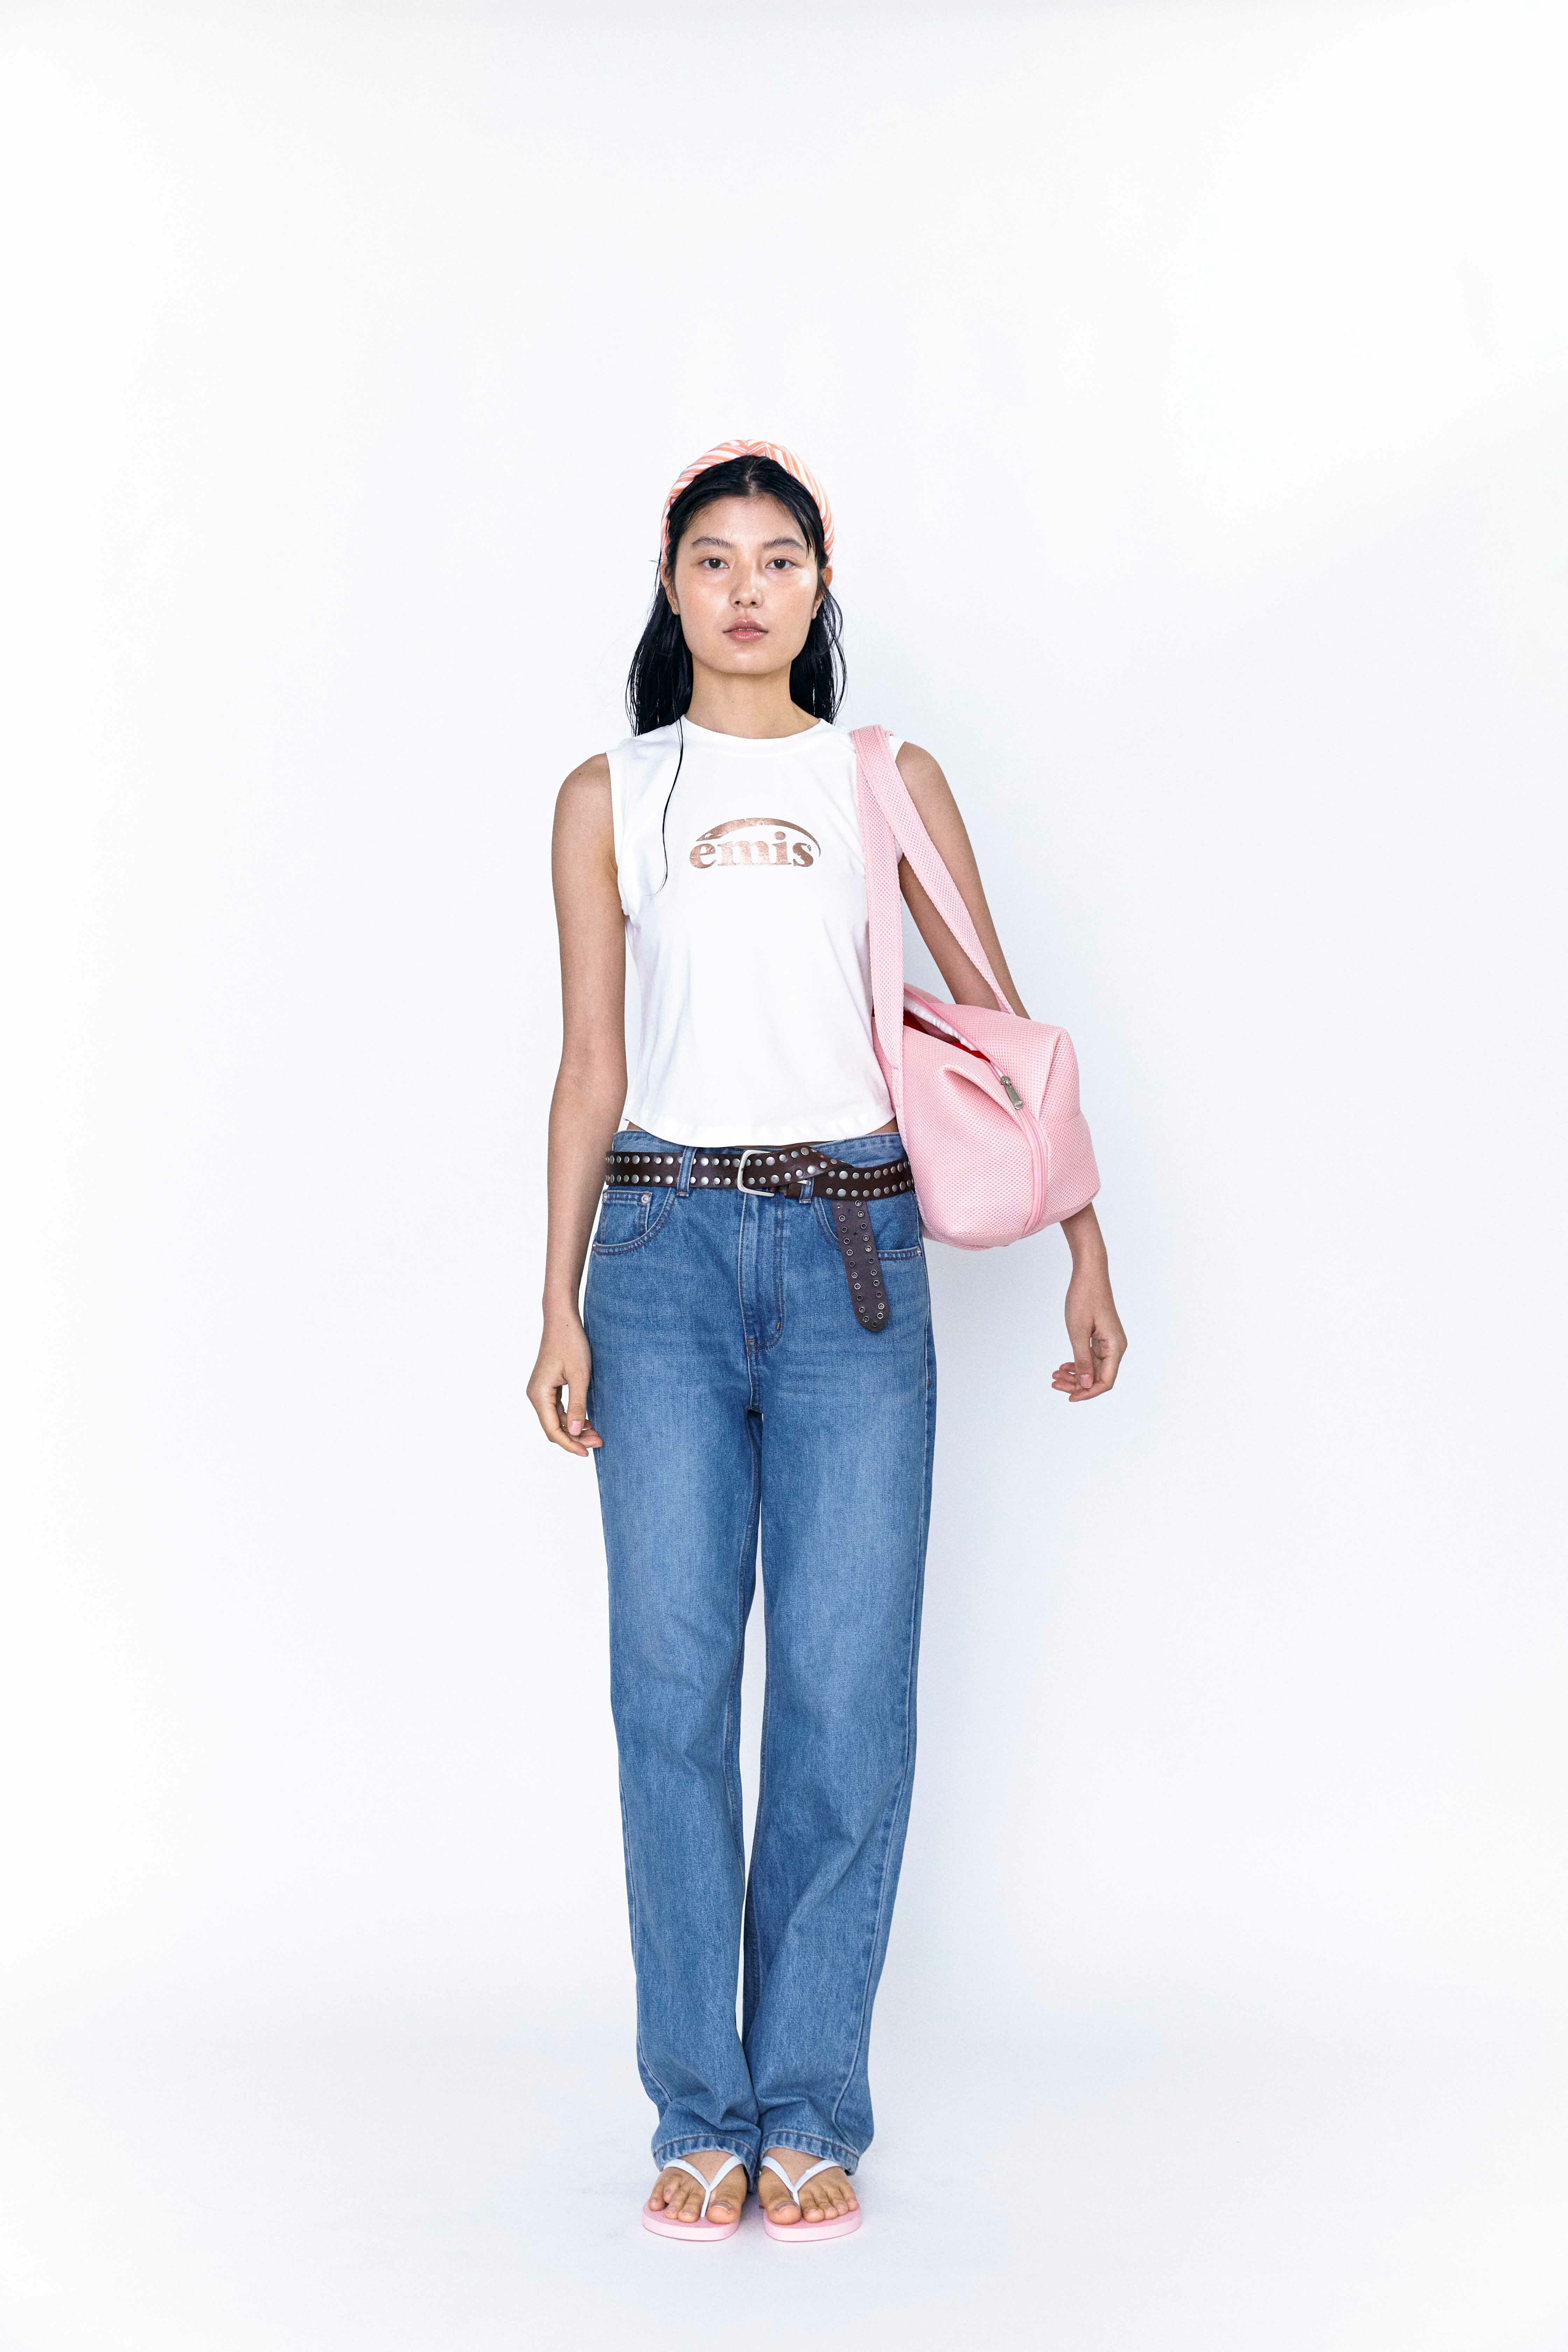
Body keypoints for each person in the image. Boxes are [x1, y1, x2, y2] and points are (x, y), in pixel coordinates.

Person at [528, 440, 1126, 2241]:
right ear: (670, 586)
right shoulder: (612, 793)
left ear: (819, 581)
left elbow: (1000, 1024)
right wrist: (553, 1300)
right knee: (668, 1693)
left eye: (776, 558)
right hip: (657, 1256)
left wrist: (1085, 1236)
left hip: (857, 1257)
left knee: (845, 1695)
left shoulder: (885, 778)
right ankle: (696, 2113)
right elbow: (588, 1063)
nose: (745, 589)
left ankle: (808, 2110)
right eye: (712, 560)